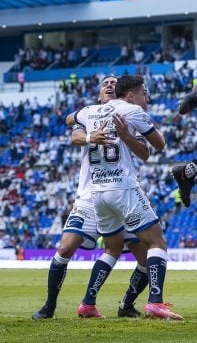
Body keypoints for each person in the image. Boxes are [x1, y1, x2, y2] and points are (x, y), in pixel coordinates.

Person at [32, 76, 149, 320]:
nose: (109, 85)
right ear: (98, 95)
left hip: (121, 194)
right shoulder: (88, 116)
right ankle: (49, 305)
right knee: (65, 248)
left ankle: (126, 303)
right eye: (104, 83)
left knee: (146, 256)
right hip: (88, 196)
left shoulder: (128, 117)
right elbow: (71, 126)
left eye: (113, 83)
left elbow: (144, 151)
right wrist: (87, 134)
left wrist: (127, 135)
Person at [75, 75, 182, 320]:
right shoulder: (132, 110)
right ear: (132, 95)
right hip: (122, 187)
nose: (146, 99)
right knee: (157, 241)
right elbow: (160, 144)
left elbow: (72, 118)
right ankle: (155, 302)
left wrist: (90, 130)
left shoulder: (90, 111)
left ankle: (88, 303)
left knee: (112, 248)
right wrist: (126, 133)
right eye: (144, 94)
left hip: (98, 191)